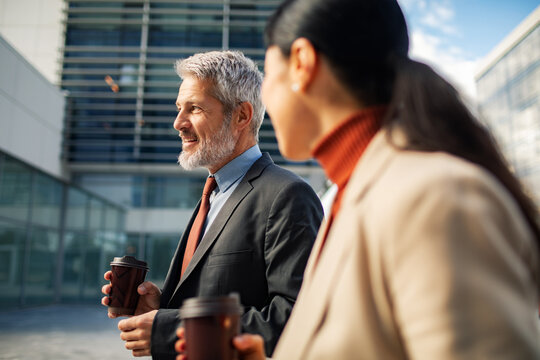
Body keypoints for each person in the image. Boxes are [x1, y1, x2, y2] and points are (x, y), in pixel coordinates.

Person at [176, 0, 540, 359]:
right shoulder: (351, 197)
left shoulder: (432, 197)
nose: (265, 97)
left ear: (302, 64)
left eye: (269, 76)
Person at [101, 50, 324, 359]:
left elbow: (296, 319)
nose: (178, 123)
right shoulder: (214, 194)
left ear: (242, 116)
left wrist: (172, 329)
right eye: (179, 108)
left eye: (194, 109)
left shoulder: (287, 195)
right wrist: (160, 308)